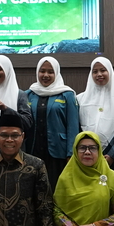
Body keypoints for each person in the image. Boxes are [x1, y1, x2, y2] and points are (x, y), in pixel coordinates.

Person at [26, 56, 79, 187]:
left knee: (55, 186)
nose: (46, 75)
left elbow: (73, 126)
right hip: (33, 149)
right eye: (42, 71)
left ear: (57, 73)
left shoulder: (67, 94)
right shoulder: (28, 94)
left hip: (58, 152)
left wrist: (71, 153)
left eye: (50, 72)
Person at [78, 57, 114, 175]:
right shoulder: (81, 99)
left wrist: (113, 155)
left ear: (110, 72)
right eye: (95, 71)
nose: (99, 74)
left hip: (112, 156)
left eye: (103, 70)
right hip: (87, 154)